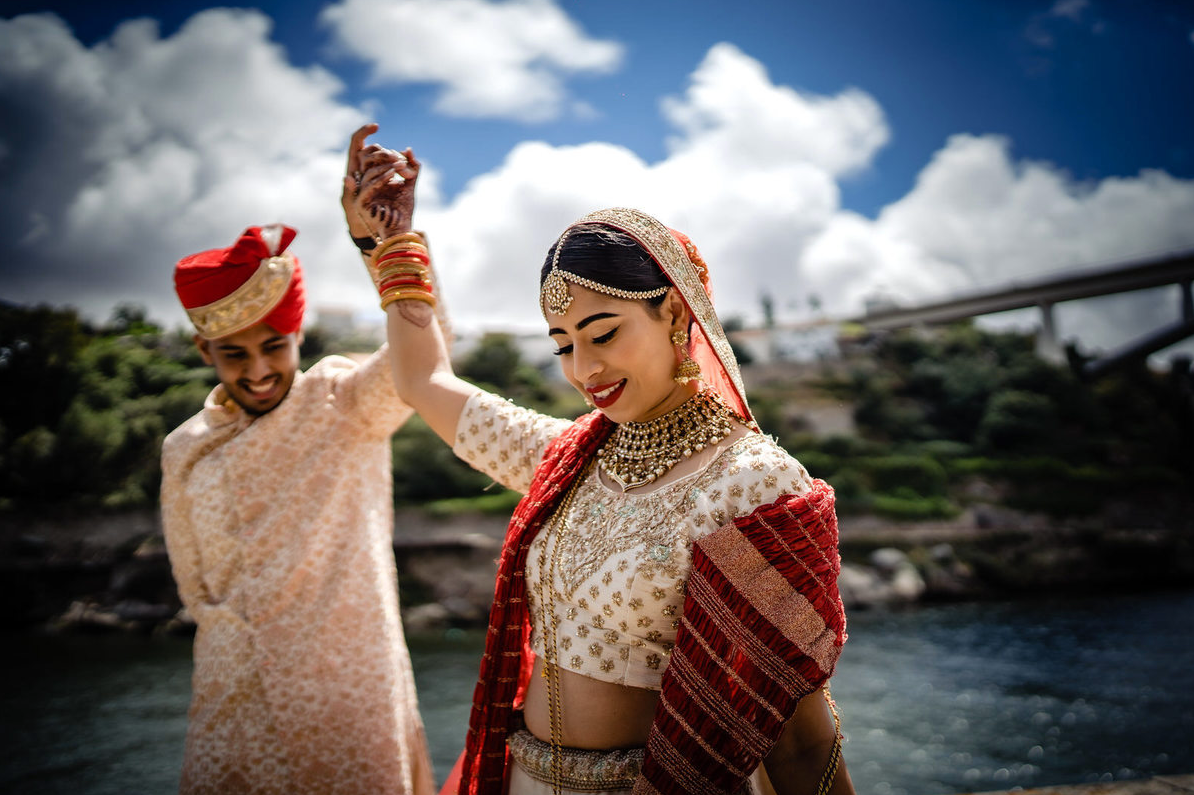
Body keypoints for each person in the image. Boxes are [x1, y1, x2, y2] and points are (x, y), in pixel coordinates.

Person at [343, 126, 851, 795]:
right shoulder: (568, 458)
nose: (584, 369)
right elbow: (423, 383)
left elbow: (800, 732)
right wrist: (387, 243)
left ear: (673, 309)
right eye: (562, 345)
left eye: (603, 333)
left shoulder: (751, 482)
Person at [160, 166, 436, 794]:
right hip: (233, 710)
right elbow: (194, 586)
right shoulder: (184, 449)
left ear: (297, 337)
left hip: (349, 702)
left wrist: (383, 243)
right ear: (206, 353)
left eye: (274, 347)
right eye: (235, 353)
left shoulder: (344, 402)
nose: (258, 370)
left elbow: (426, 354)